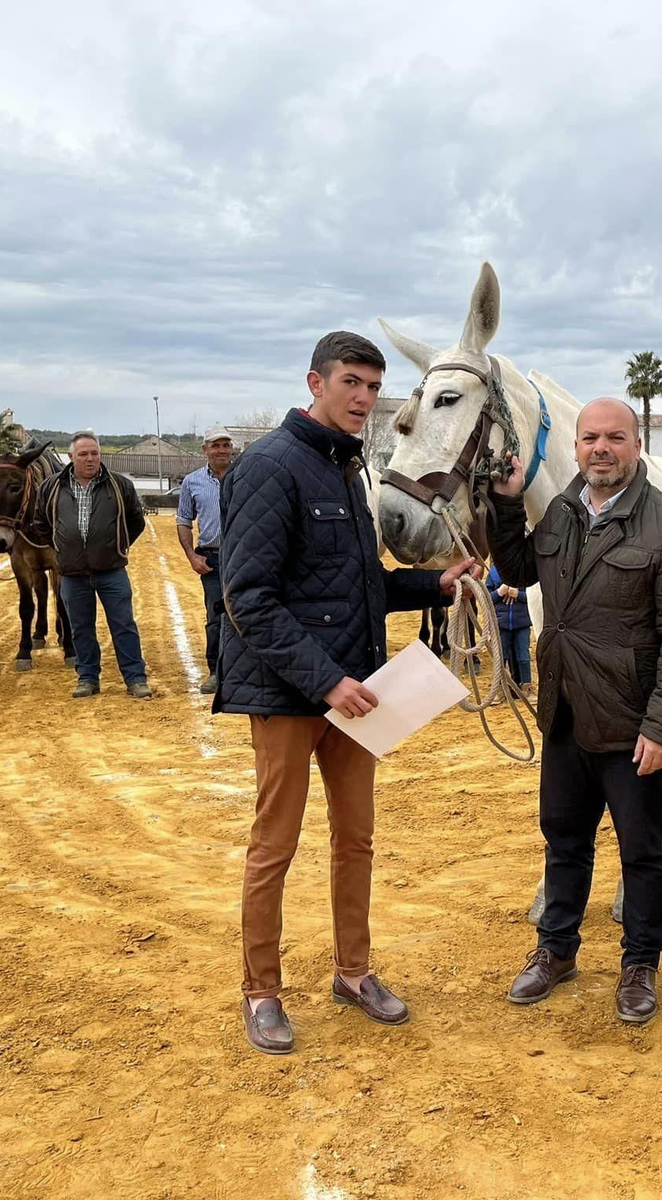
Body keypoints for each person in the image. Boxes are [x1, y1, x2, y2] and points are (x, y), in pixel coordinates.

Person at [219, 331, 477, 1055]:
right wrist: (326, 681)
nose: (364, 398)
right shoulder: (270, 467)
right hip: (293, 694)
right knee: (275, 845)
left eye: (372, 386)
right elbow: (250, 599)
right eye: (352, 383)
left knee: (356, 840)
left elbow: (360, 588)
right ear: (315, 383)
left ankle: (353, 973)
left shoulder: (348, 468)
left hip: (354, 696)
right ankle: (262, 991)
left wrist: (437, 583)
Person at [488, 398, 662, 1025]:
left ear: (635, 444)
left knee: (642, 849)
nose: (601, 449)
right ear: (577, 446)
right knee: (563, 839)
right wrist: (505, 504)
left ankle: (640, 962)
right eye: (590, 439)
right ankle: (556, 950)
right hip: (563, 712)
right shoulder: (562, 510)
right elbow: (519, 566)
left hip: (631, 722)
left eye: (615, 437)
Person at [35, 431, 151, 700]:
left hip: (112, 572)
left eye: (94, 453)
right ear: (70, 457)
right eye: (83, 454)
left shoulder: (119, 485)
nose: (90, 459)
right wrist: (63, 547)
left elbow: (136, 522)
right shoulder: (52, 487)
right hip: (73, 575)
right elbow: (41, 524)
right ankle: (87, 678)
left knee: (124, 625)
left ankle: (135, 678)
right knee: (80, 628)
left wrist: (117, 547)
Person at [176, 427, 233, 694]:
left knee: (249, 613)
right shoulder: (192, 482)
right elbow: (184, 520)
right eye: (216, 445)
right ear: (205, 450)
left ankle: (242, 671)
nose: (222, 450)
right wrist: (191, 555)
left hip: (244, 556)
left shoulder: (245, 476)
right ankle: (216, 672)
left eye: (226, 445)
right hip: (211, 559)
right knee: (215, 617)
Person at [486, 563, 532, 687]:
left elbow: (534, 597)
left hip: (522, 623)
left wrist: (518, 595)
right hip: (501, 623)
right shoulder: (493, 574)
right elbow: (486, 598)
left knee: (523, 657)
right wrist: (499, 592)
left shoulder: (526, 573)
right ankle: (499, 688)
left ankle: (526, 686)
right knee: (501, 657)